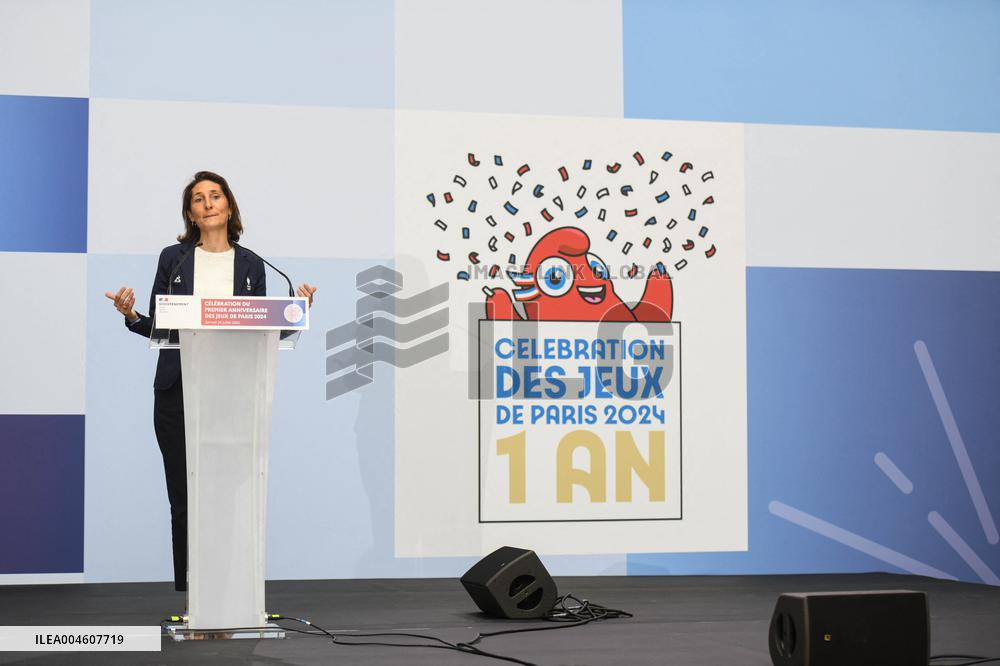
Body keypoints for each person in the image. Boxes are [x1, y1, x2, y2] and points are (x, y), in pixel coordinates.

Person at [105, 171, 316, 591]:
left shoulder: (252, 263)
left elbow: (261, 331)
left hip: (232, 392)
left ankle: (228, 588)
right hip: (177, 392)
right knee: (184, 497)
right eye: (198, 199)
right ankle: (193, 594)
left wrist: (298, 313)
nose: (208, 203)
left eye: (215, 196)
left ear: (229, 206)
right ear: (191, 214)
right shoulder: (175, 259)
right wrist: (131, 316)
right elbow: (160, 325)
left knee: (228, 495)